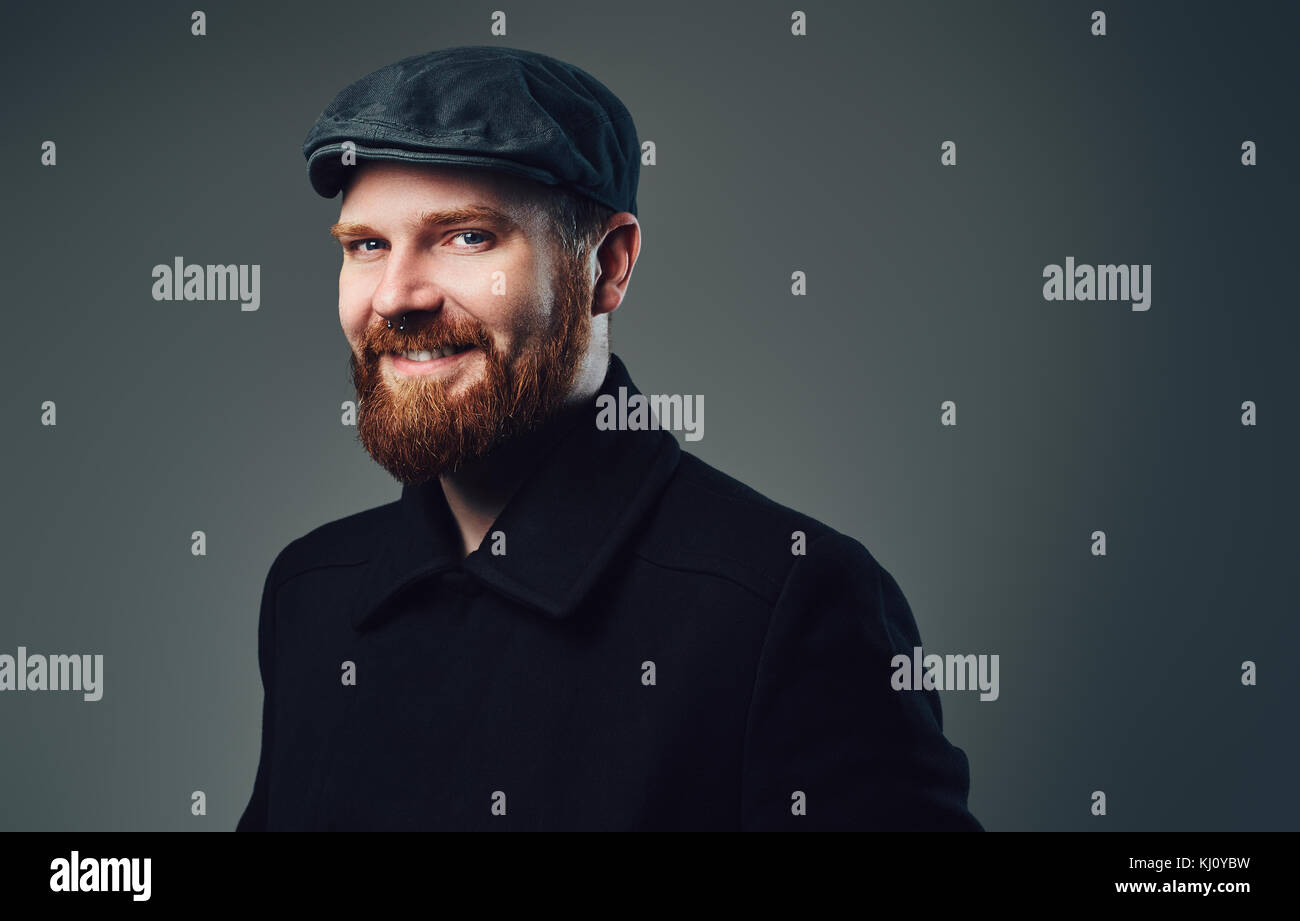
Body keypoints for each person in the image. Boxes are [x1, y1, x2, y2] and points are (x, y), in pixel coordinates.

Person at [236, 45, 983, 831]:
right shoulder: (311, 591)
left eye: (465, 237)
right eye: (366, 245)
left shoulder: (787, 602)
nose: (395, 296)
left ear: (607, 266)